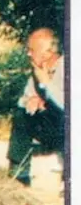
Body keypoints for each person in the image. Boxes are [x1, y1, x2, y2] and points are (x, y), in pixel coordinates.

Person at [7, 28, 66, 186]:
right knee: (21, 115)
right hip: (52, 128)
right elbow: (23, 100)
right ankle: (19, 174)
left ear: (48, 53)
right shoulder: (37, 70)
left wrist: (46, 85)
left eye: (32, 50)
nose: (28, 54)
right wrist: (31, 100)